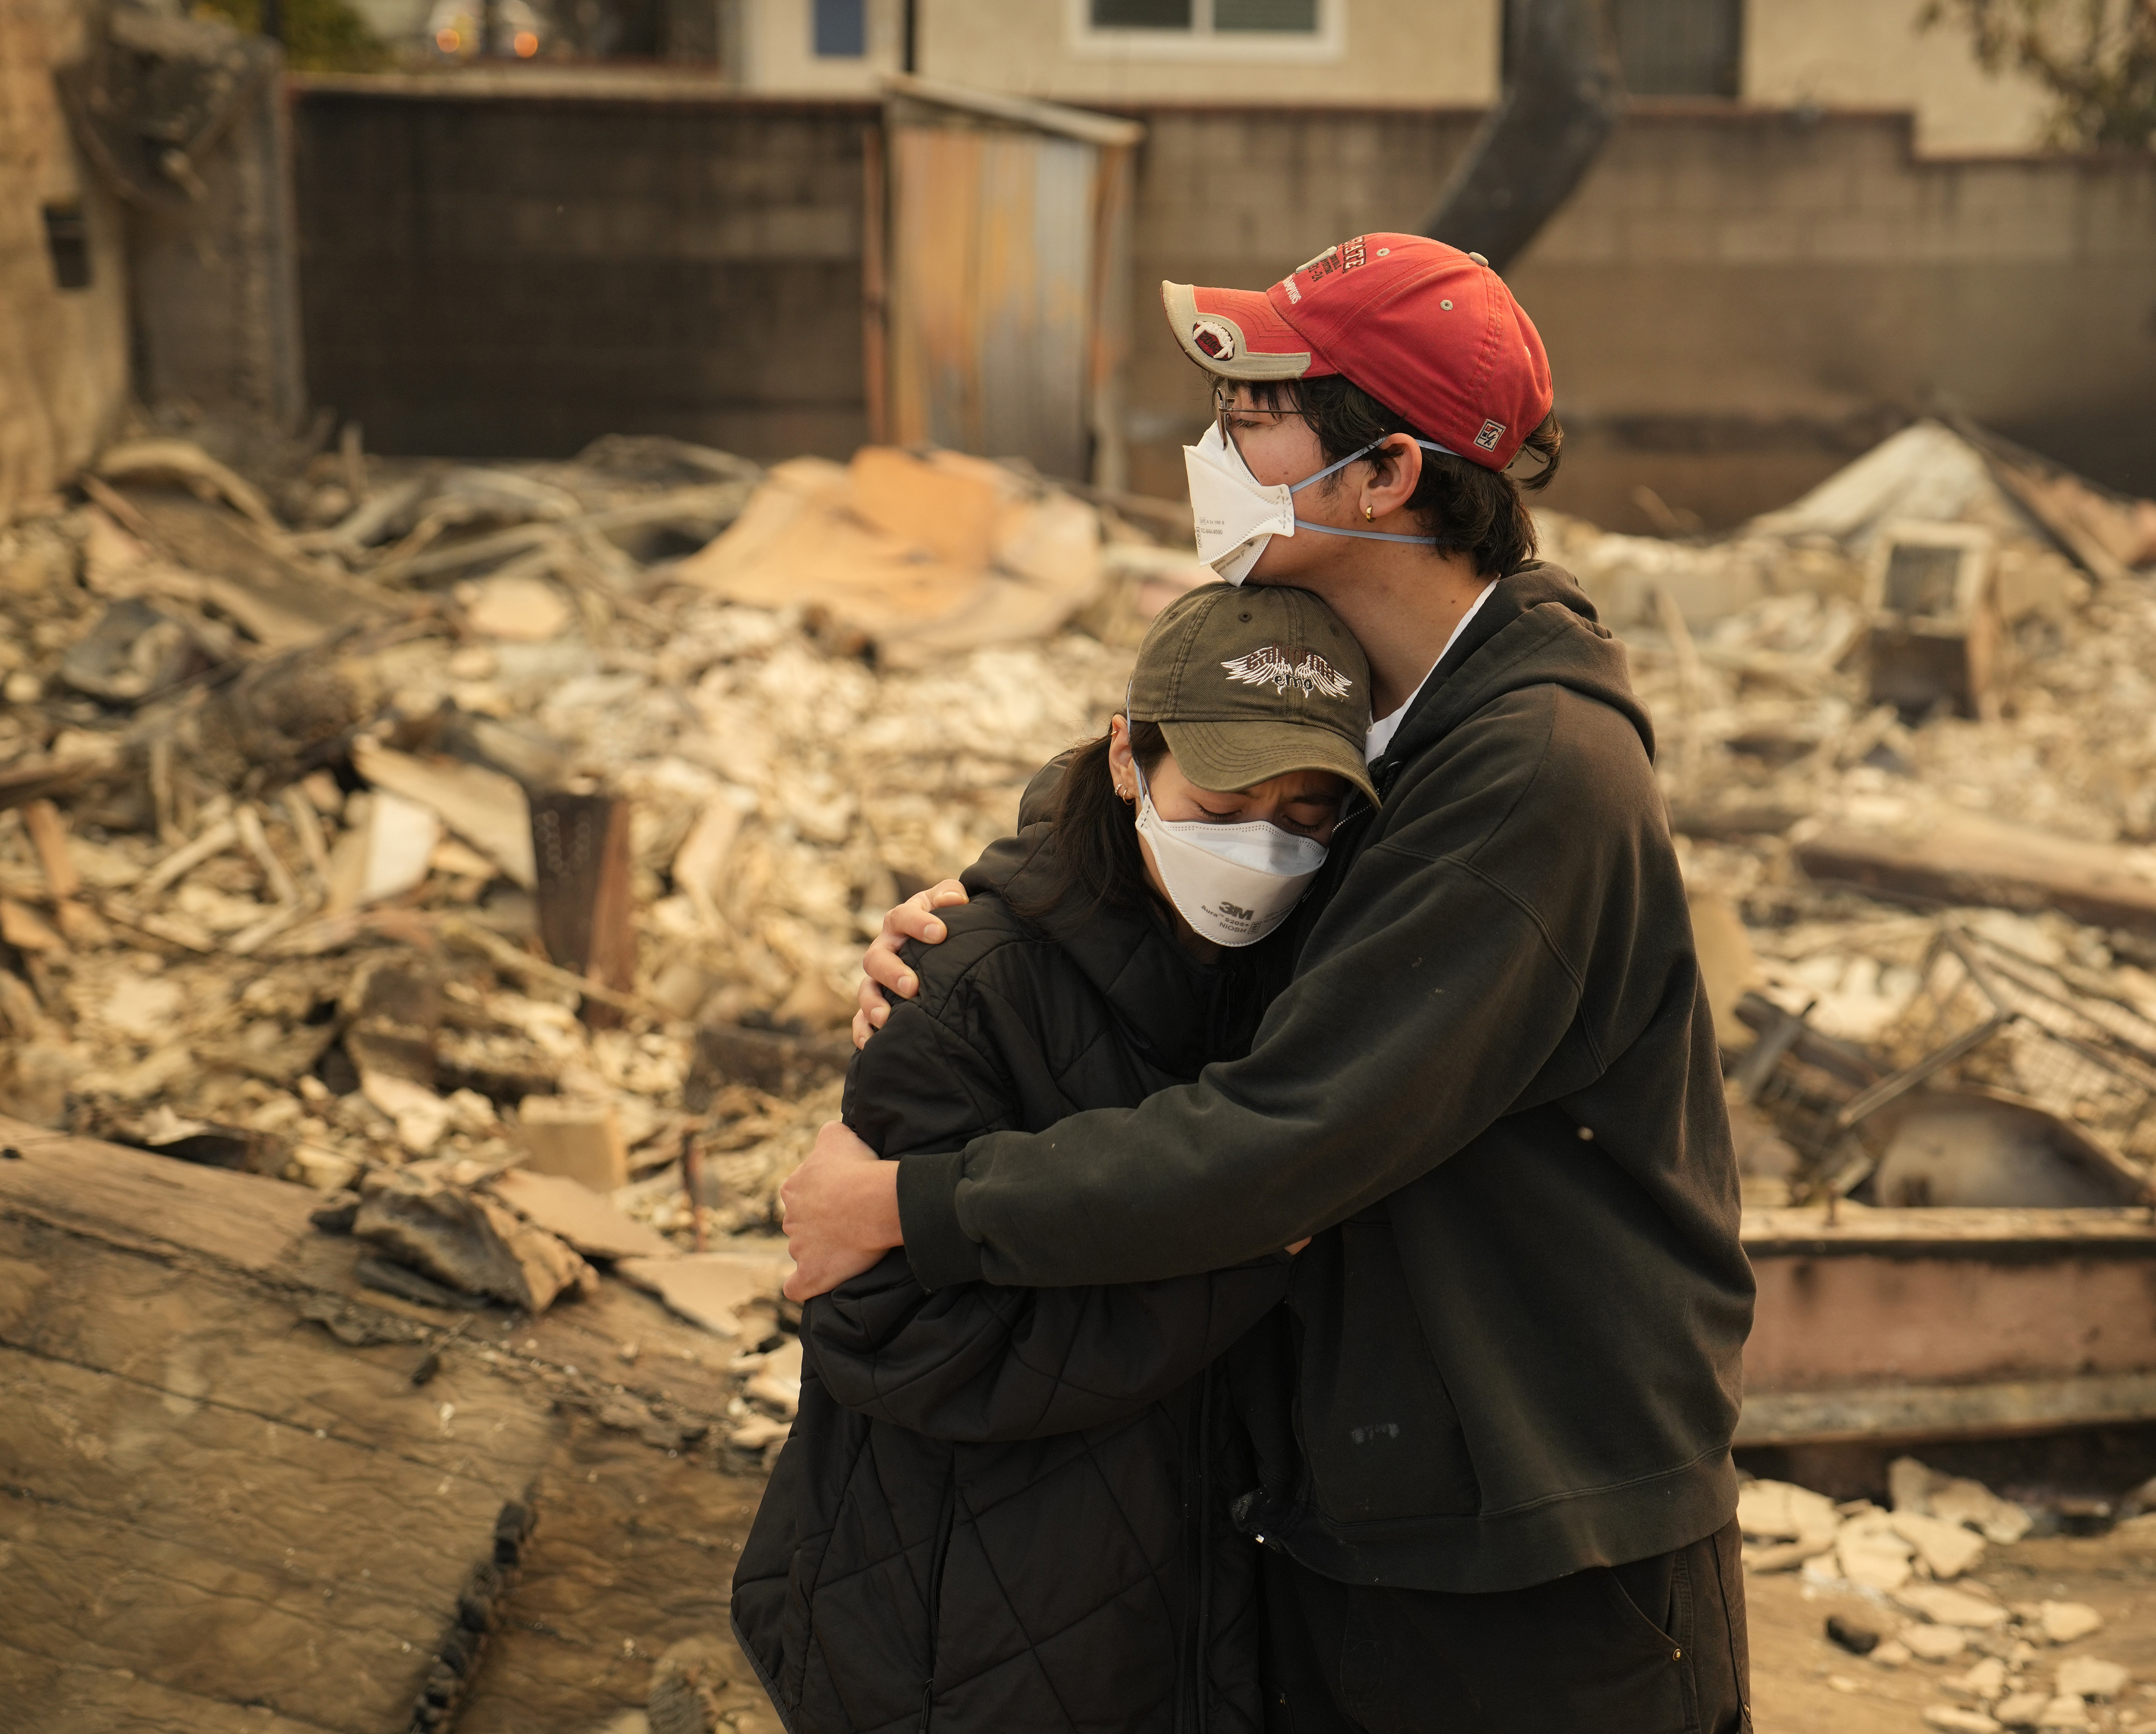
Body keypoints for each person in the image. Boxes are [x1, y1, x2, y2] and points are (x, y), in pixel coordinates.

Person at [780, 233, 1759, 1732]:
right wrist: (995, 915)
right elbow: (1183, 769)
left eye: (1255, 417)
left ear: (1385, 479)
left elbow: (1287, 1137)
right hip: (1380, 1495)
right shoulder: (1385, 707)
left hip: (1537, 1540)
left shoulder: (1528, 775)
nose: (1214, 450)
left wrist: (911, 1208)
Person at [734, 583, 1378, 1734]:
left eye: (1307, 810)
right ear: (1129, 755)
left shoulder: (1303, 983)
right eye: (1225, 797)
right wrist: (1242, 1260)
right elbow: (888, 1330)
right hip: (958, 1630)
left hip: (1179, 1621)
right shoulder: (963, 984)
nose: (1265, 844)